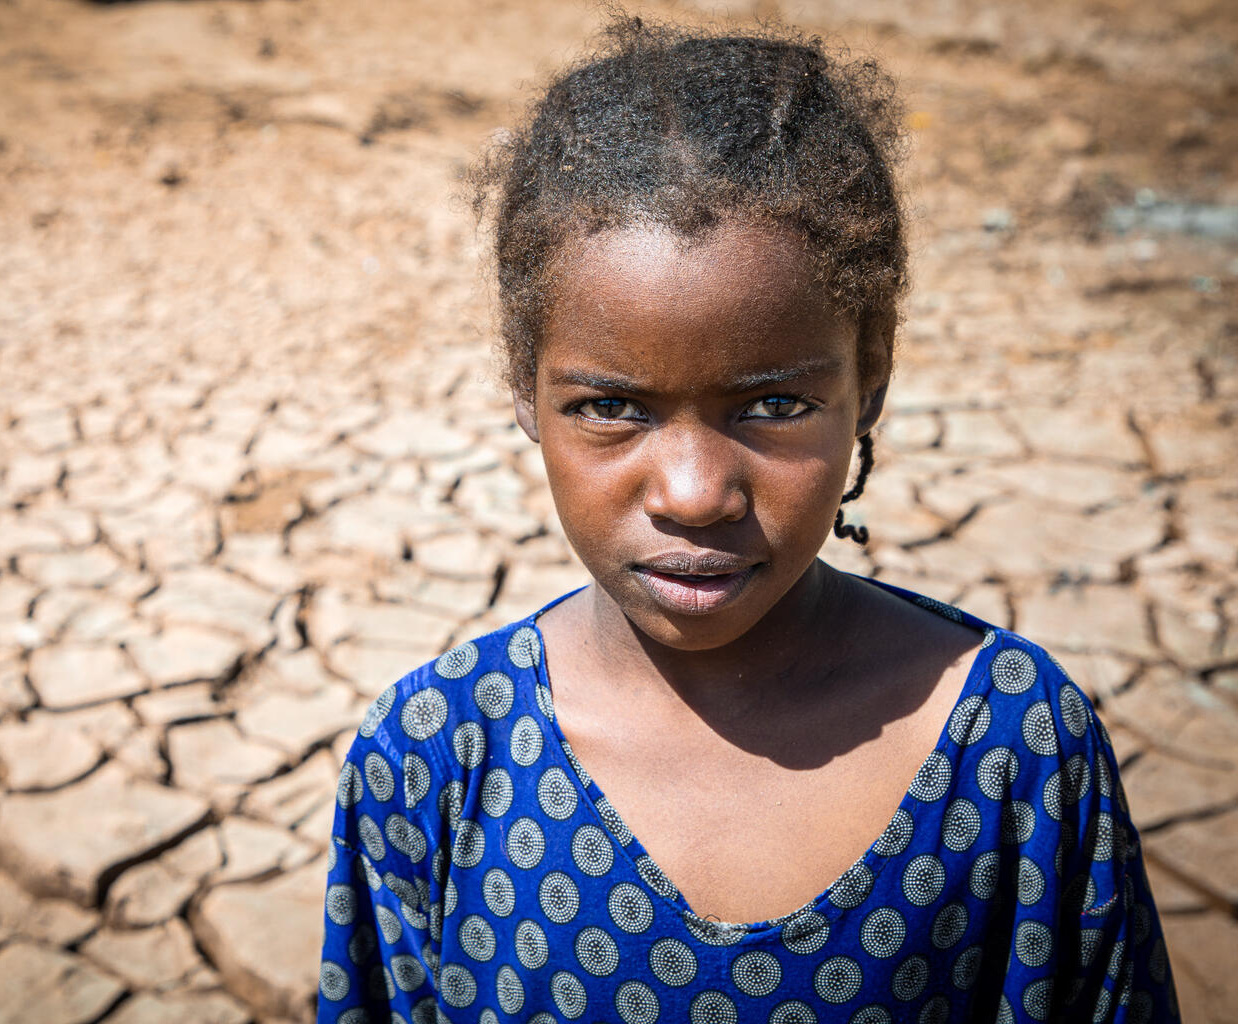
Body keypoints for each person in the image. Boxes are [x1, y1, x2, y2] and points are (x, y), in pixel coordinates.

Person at [317, 18, 1177, 1024]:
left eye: (772, 405)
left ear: (872, 383)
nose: (692, 492)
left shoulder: (1017, 749)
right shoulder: (436, 757)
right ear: (525, 391)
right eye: (612, 406)